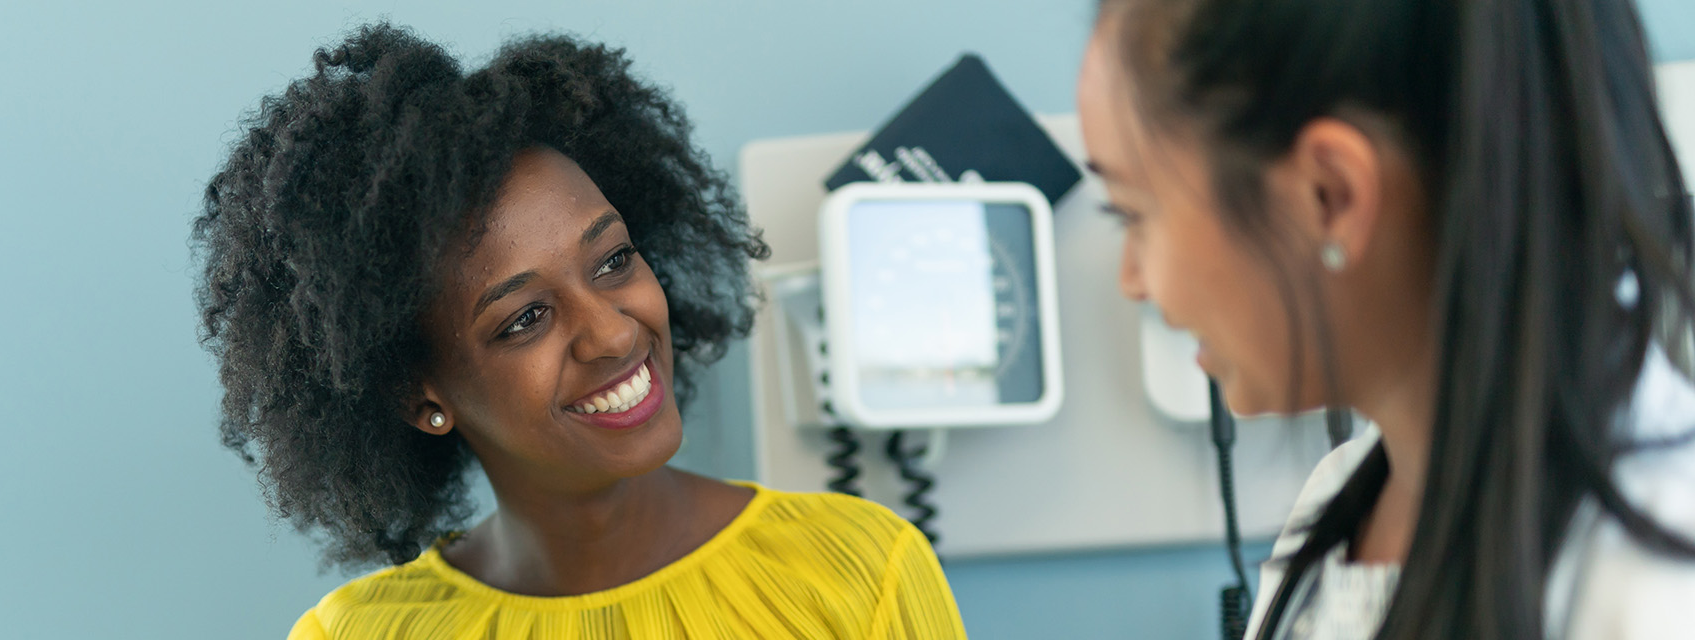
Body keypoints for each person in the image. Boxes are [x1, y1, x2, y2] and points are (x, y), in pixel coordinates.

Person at [193, 23, 964, 640]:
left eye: (614, 260)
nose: (613, 335)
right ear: (419, 395)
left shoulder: (862, 574)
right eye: (525, 318)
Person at [1076, 0, 1695, 638]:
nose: (1131, 280)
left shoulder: (1659, 588)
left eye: (1133, 213)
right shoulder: (1340, 505)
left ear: (1331, 196)